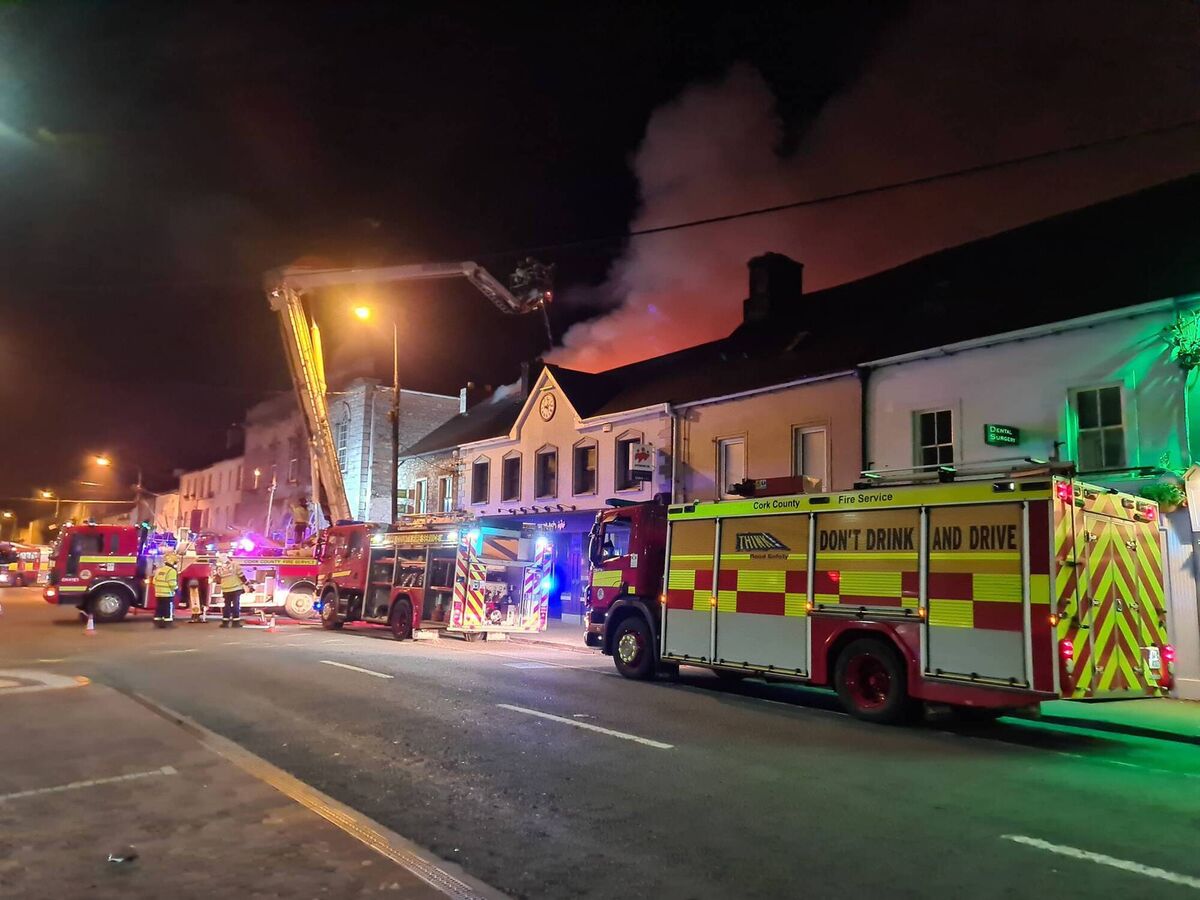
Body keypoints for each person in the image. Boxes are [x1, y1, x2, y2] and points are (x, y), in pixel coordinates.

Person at [215, 552, 251, 628]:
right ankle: (236, 622)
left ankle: (225, 623)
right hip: (236, 588)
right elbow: (241, 576)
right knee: (236, 605)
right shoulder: (235, 565)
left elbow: (217, 579)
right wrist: (248, 585)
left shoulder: (219, 568)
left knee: (226, 606)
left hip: (226, 590)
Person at [152, 551, 181, 629]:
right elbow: (172, 583)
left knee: (159, 608)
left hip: (158, 593)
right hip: (167, 593)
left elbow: (154, 581)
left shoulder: (159, 570)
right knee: (168, 608)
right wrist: (177, 590)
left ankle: (157, 622)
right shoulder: (171, 571)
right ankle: (168, 623)